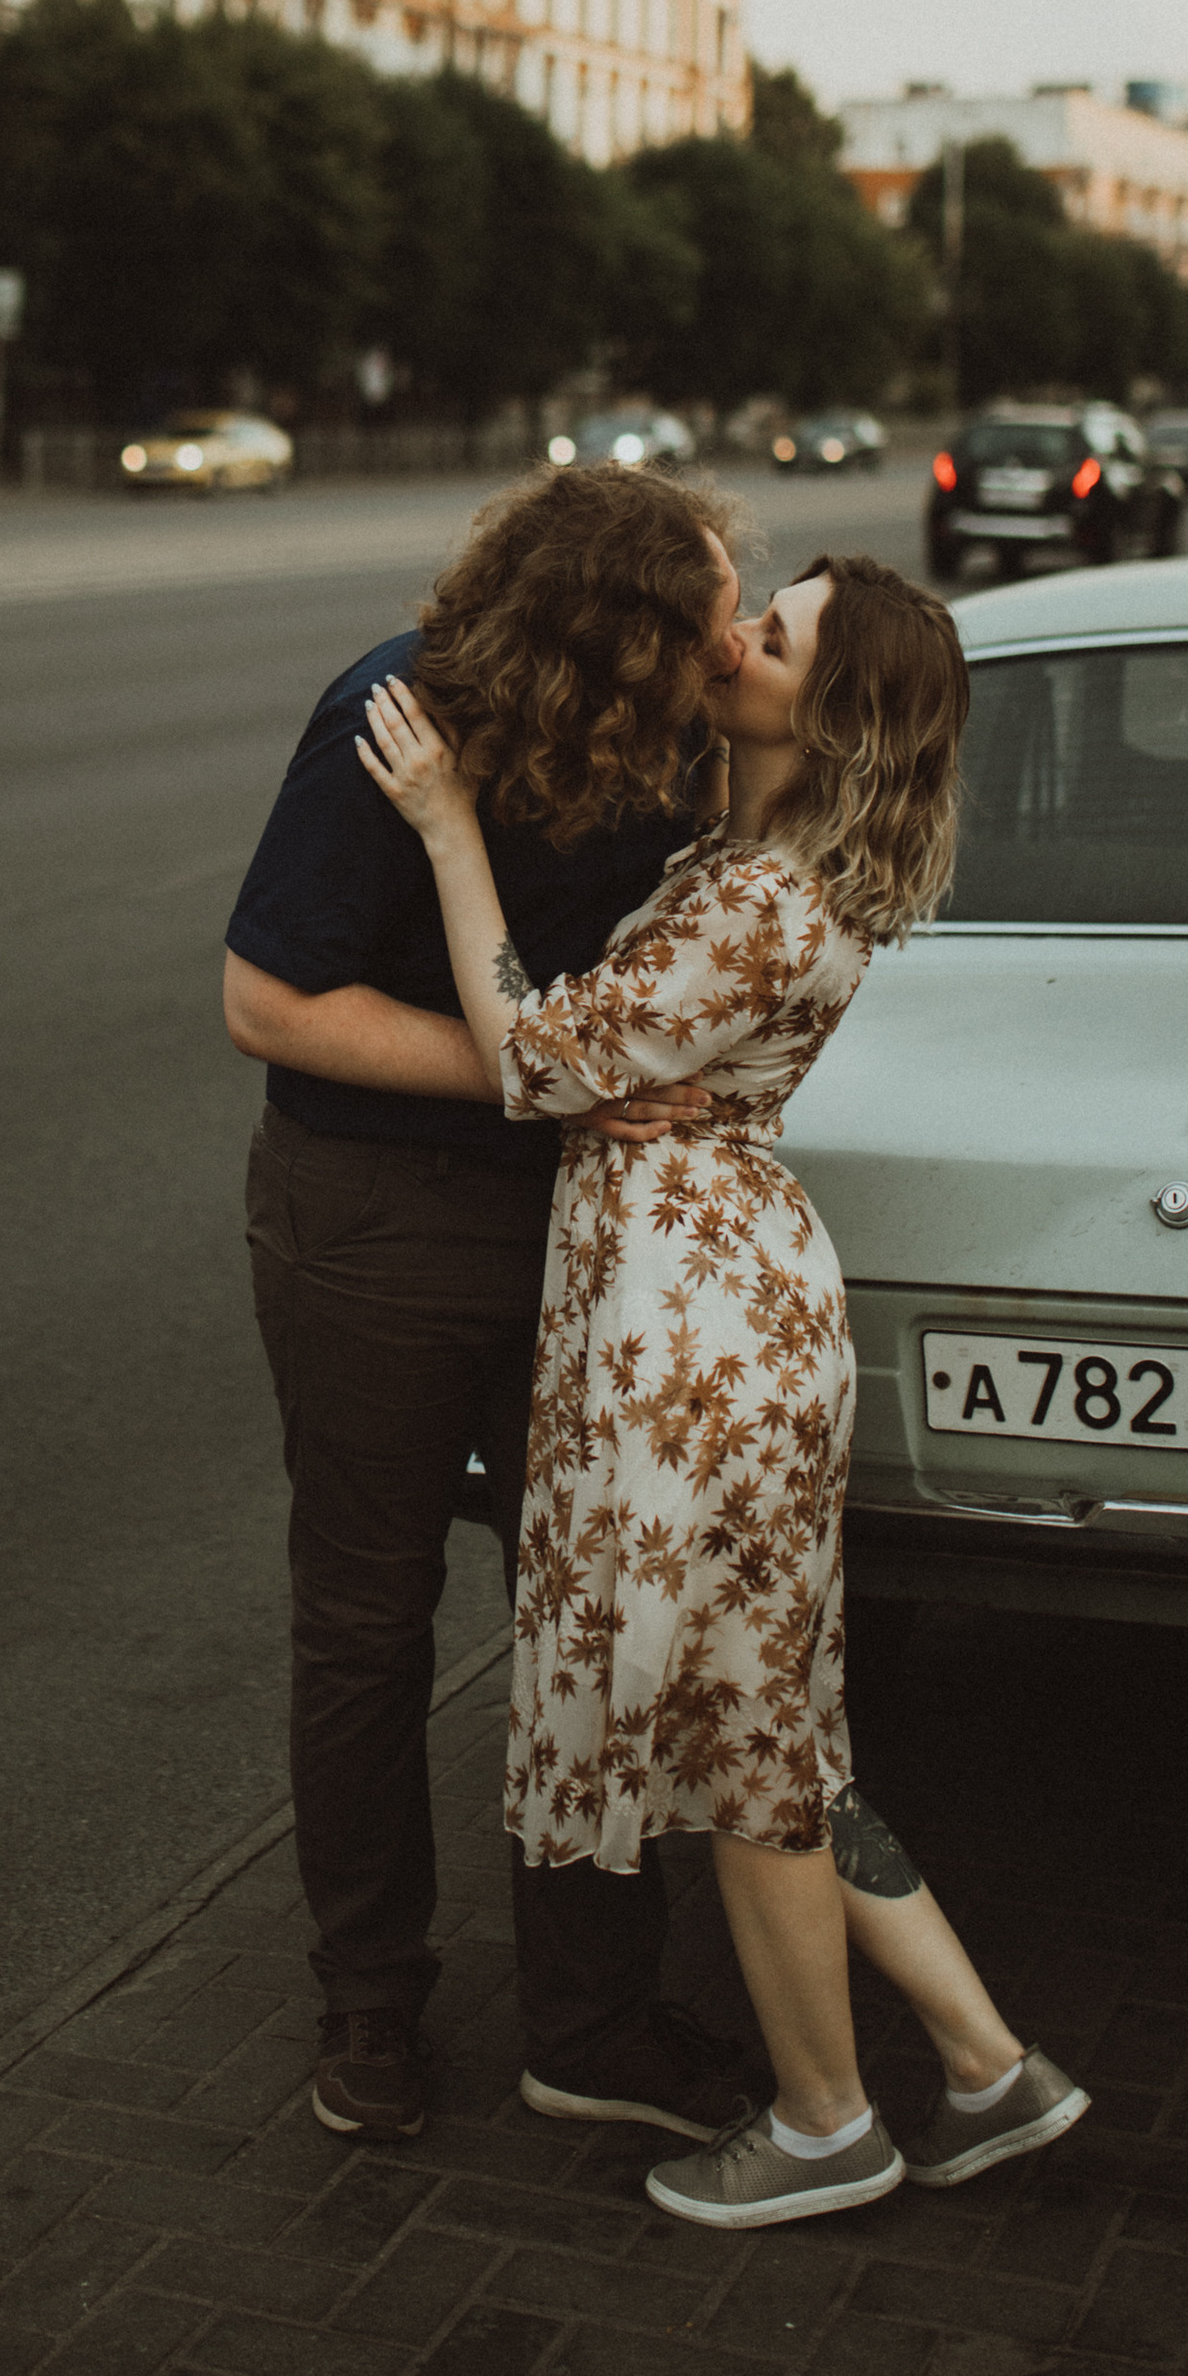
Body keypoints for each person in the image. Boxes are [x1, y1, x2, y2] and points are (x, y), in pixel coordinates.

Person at [357, 548, 1089, 2225]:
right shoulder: (741, 852)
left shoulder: (767, 894)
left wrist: (449, 825)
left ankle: (828, 2127)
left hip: (705, 1334)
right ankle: (989, 2069)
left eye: (776, 635)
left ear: (828, 710)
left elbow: (538, 1062)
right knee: (782, 1736)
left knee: (752, 1749)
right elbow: (600, 1068)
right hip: (697, 1297)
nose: (735, 635)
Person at [224, 462, 759, 2146]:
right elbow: (268, 1002)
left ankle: (593, 2021)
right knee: (369, 1627)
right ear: (613, 636)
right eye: (711, 614)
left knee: (598, 1619)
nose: (733, 639)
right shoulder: (392, 720)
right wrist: (547, 1081)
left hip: (586, 1231)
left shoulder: (687, 738)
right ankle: (372, 2000)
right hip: (372, 1218)